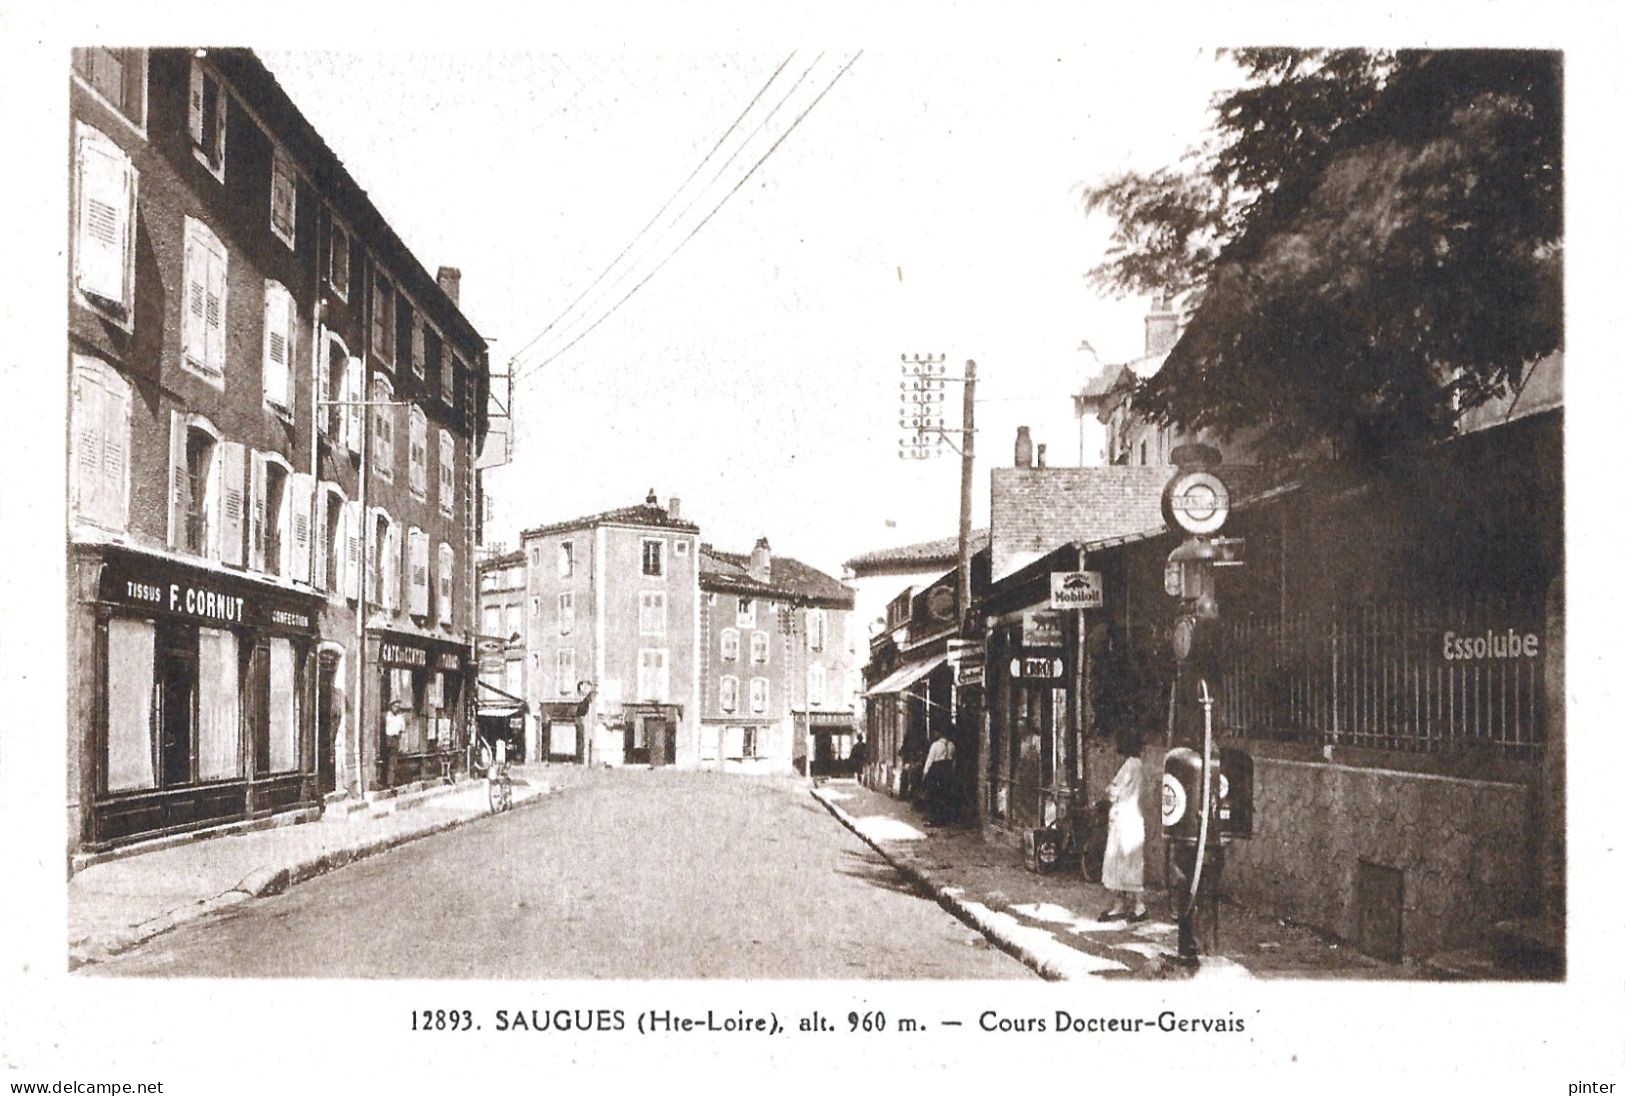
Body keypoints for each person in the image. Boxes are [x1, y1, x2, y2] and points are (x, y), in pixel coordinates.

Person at [1100, 729, 1148, 922]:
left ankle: (1130, 905)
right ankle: (1133, 905)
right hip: (1134, 817)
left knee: (1119, 861)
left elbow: (1114, 791)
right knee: (1131, 863)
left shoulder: (1129, 766)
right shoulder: (1140, 765)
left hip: (1124, 818)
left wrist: (1110, 789)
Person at [921, 730, 957, 825]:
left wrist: (925, 772)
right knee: (945, 794)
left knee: (934, 794)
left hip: (937, 771)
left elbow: (930, 759)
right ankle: (945, 818)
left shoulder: (935, 745)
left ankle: (935, 819)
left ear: (940, 734)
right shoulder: (952, 745)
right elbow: (953, 761)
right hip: (947, 772)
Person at [382, 699, 406, 789]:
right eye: (395, 706)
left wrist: (401, 741)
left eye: (398, 707)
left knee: (393, 762)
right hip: (386, 739)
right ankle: (383, 781)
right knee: (384, 760)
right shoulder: (386, 716)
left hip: (395, 739)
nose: (397, 708)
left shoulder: (400, 717)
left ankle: (390, 783)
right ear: (391, 706)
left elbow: (402, 730)